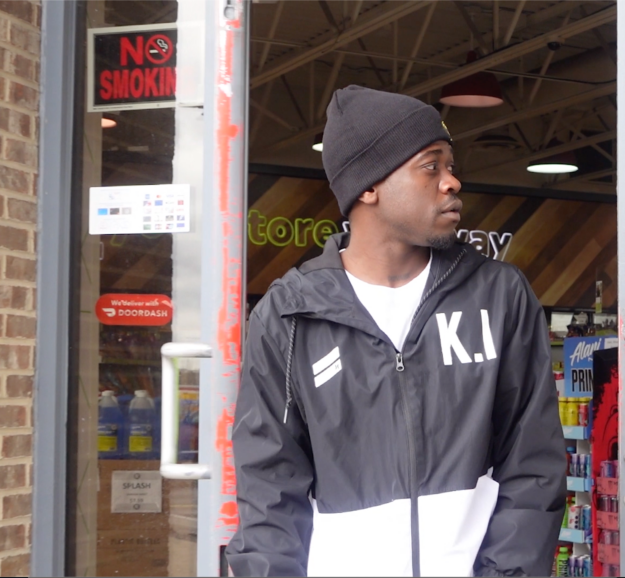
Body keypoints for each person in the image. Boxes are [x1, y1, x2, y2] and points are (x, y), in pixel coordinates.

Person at [225, 85, 566, 577]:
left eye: (451, 166)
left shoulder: (499, 297)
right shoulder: (290, 315)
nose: (451, 183)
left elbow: (532, 465)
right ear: (368, 186)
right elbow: (268, 485)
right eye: (431, 166)